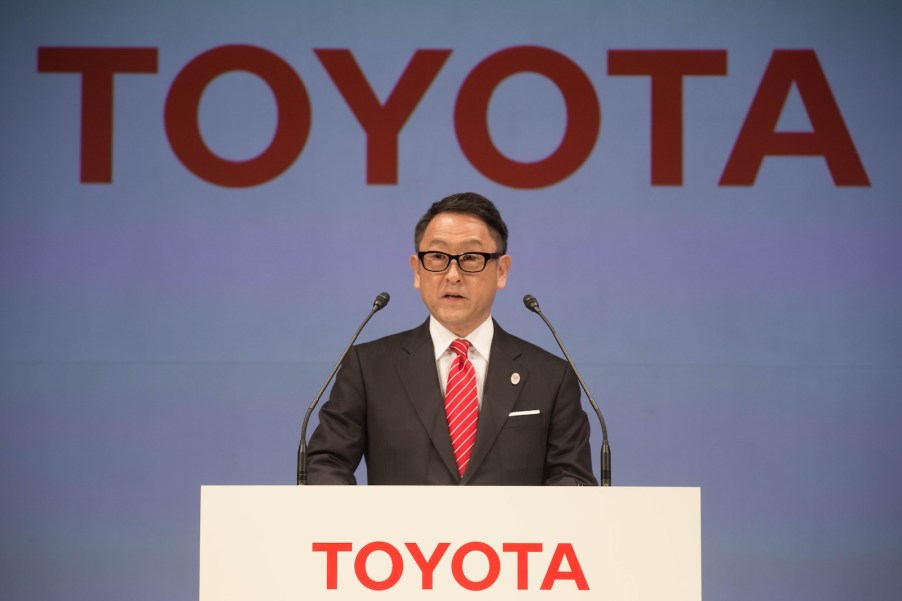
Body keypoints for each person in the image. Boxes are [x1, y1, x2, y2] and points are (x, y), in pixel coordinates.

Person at [307, 192, 596, 485]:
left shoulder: (550, 376)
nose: (453, 274)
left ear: (502, 270)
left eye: (471, 257)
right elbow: (324, 464)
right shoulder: (368, 368)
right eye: (437, 257)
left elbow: (572, 478)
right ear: (417, 270)